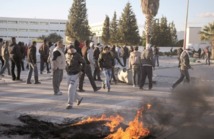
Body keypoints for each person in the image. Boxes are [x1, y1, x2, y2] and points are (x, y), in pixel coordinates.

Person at [65, 45, 85, 109]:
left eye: (72, 48)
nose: (71, 50)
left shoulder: (77, 55)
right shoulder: (66, 55)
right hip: (68, 74)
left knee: (70, 88)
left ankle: (70, 104)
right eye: (69, 48)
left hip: (75, 74)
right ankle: (79, 98)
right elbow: (66, 63)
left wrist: (82, 70)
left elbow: (84, 63)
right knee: (71, 88)